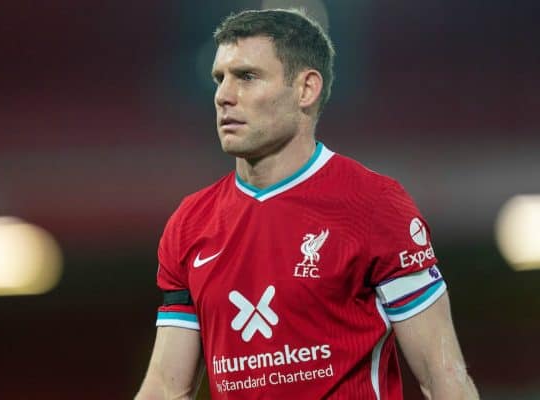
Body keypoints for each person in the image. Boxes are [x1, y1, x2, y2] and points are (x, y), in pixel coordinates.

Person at [136, 8, 478, 400]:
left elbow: (443, 377)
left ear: (306, 89)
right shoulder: (190, 223)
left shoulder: (374, 205)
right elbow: (165, 387)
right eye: (220, 78)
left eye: (247, 76)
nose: (223, 96)